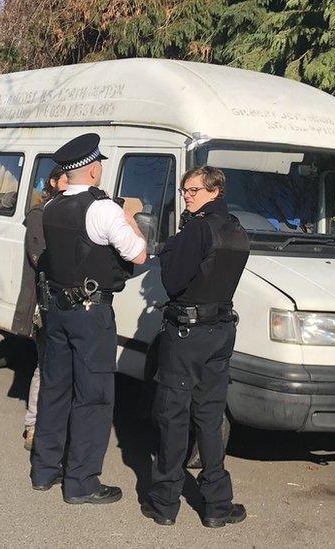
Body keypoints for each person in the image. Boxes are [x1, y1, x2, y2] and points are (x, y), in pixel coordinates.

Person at [30, 133, 147, 504]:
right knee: (93, 397)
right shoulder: (103, 209)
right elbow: (139, 255)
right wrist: (129, 215)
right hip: (90, 313)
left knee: (55, 390)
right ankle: (81, 483)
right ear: (94, 170)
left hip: (59, 312)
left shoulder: (50, 208)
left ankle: (45, 471)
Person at [142, 166, 250, 528]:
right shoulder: (236, 229)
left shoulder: (198, 229)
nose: (186, 195)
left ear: (214, 191)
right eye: (184, 189)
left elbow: (173, 280)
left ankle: (164, 503)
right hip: (220, 330)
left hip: (187, 332)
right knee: (209, 415)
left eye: (194, 190)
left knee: (174, 414)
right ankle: (218, 505)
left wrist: (173, 246)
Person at [11, 165, 67, 452]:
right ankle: (33, 426)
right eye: (65, 179)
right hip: (43, 304)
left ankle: (53, 426)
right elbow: (39, 257)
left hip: (64, 305)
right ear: (53, 182)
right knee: (45, 367)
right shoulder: (39, 214)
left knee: (58, 368)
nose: (70, 185)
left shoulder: (70, 212)